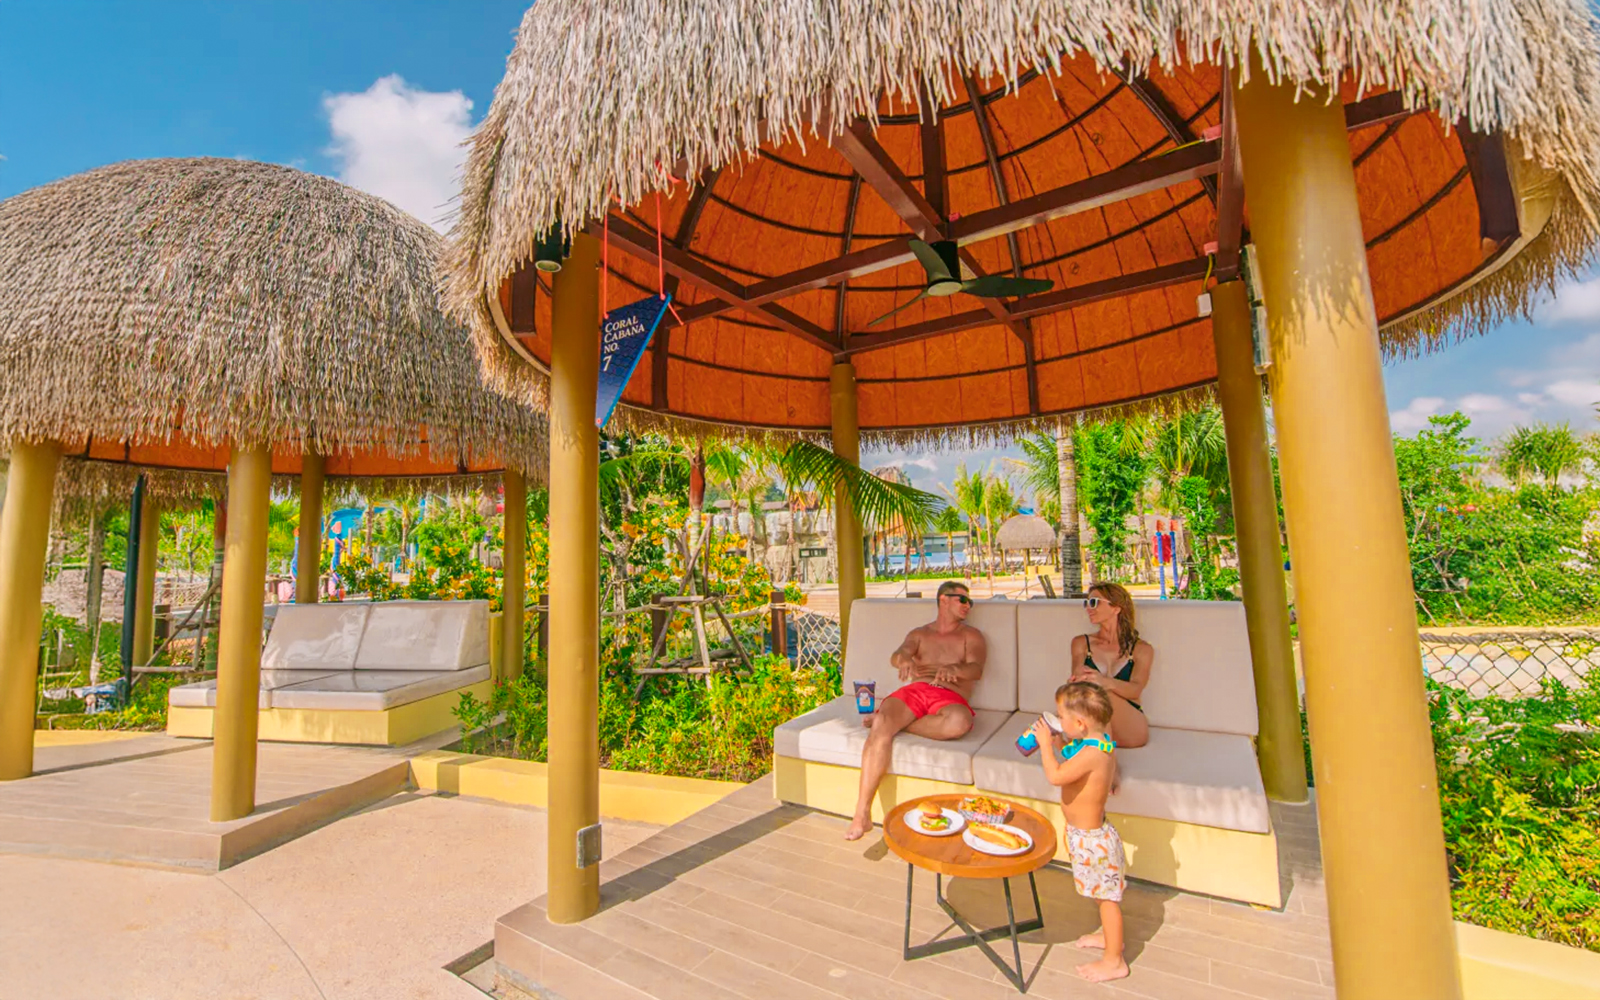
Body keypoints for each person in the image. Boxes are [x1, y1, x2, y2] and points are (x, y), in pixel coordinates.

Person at [844, 580, 986, 841]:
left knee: (958, 723)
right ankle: (861, 814)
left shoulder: (971, 636)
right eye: (962, 600)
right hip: (915, 691)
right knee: (882, 729)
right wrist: (905, 659)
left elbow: (976, 669)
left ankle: (889, 721)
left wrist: (956, 670)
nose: (968, 606)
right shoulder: (920, 634)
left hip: (949, 694)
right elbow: (898, 654)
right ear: (943, 600)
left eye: (970, 602)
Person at [1029, 682, 1128, 983]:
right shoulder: (1096, 743)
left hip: (1093, 842)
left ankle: (1115, 959)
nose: (1058, 721)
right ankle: (1109, 938)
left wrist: (1045, 745)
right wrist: (1060, 743)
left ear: (1081, 724)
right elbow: (1077, 759)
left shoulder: (1093, 754)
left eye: (1062, 717)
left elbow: (1057, 775)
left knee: (1108, 900)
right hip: (1086, 837)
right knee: (1101, 896)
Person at [1069, 581, 1152, 748]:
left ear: (1116, 608)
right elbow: (1078, 679)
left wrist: (1105, 682)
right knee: (1084, 692)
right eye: (1087, 603)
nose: (1088, 608)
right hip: (1092, 720)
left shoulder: (1142, 649)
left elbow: (1135, 690)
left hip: (1130, 726)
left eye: (1094, 602)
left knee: (1097, 692)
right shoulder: (1081, 643)